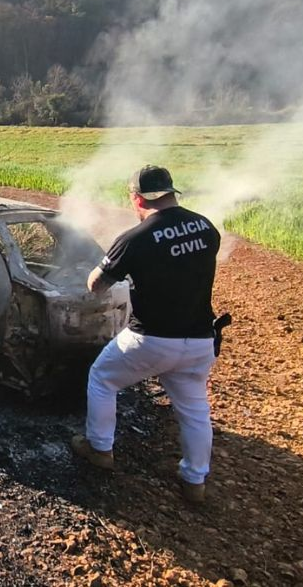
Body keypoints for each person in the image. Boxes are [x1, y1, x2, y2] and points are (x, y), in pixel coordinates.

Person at [70, 165, 221, 503]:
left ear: (138, 198)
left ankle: (99, 449)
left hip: (151, 339)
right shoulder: (206, 227)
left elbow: (96, 285)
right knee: (195, 410)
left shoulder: (135, 238)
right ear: (171, 192)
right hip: (200, 340)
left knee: (102, 378)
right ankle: (195, 481)